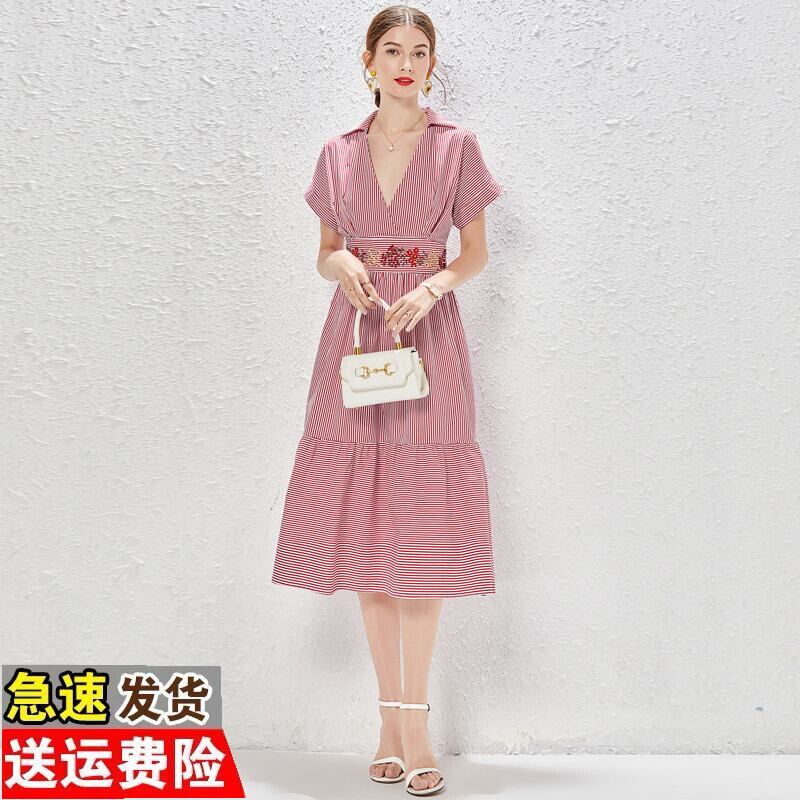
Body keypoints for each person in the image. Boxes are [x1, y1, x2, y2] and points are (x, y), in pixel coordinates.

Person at [271, 5, 502, 796]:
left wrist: (434, 286)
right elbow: (326, 252)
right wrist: (339, 267)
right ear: (368, 61)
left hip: (428, 341)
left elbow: (474, 254)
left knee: (423, 534)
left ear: (432, 64)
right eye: (393, 50)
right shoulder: (337, 153)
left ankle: (418, 722)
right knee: (370, 528)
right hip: (358, 337)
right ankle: (389, 722)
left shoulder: (456, 146)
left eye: (420, 51)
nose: (407, 63)